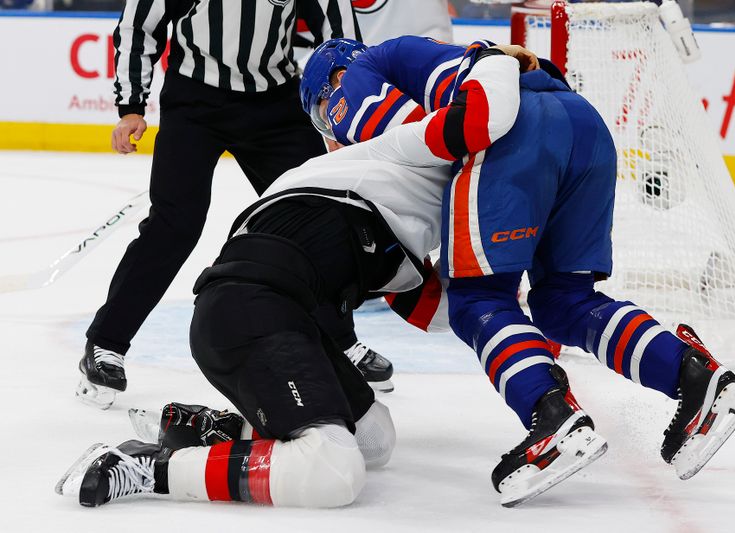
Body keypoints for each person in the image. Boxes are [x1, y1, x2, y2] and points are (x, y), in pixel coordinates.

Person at [56, 43, 522, 508]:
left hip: (278, 316)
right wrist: (498, 58)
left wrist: (510, 295)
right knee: (333, 472)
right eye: (323, 120)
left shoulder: (377, 176)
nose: (332, 132)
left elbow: (440, 308)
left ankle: (211, 429)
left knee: (375, 441)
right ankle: (145, 469)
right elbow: (480, 122)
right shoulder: (393, 149)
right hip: (249, 308)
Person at [298, 36, 735, 506]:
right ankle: (694, 377)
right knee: (564, 302)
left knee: (480, 299)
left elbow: (425, 145)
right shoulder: (422, 64)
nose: (329, 130)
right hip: (582, 126)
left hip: (514, 138)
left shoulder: (352, 78)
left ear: (331, 84)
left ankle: (552, 416)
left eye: (320, 114)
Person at [77, 0, 394, 410]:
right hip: (195, 102)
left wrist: (345, 108)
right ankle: (106, 343)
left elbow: (341, 36)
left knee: (315, 217)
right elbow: (141, 25)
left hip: (275, 103)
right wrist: (131, 106)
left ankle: (339, 340)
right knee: (174, 225)